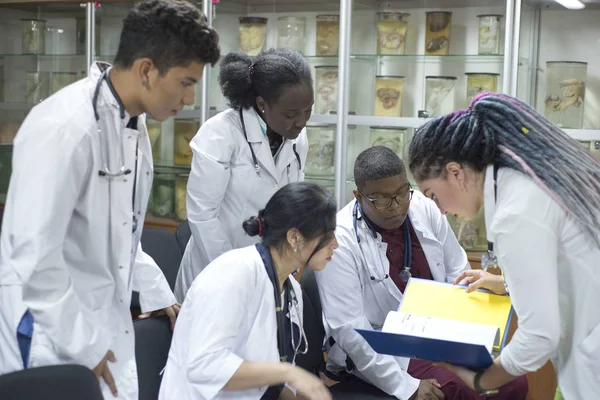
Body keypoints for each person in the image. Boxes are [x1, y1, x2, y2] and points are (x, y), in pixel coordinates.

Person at [0, 1, 220, 399]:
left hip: (102, 324)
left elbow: (121, 230)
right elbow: (33, 256)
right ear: (147, 70)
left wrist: (157, 291)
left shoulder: (133, 126)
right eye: (186, 82)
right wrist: (84, 346)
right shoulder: (65, 128)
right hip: (49, 333)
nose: (189, 98)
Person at [408, 92, 600, 399]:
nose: (439, 210)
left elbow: (539, 337)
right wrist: (507, 283)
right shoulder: (528, 181)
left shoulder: (515, 213)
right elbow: (567, 263)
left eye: (432, 195)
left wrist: (482, 380)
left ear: (455, 173)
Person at [315, 146, 528, 400]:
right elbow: (350, 330)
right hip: (389, 348)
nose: (395, 206)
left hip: (442, 335)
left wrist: (469, 340)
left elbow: (458, 273)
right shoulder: (340, 241)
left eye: (402, 193)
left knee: (514, 381)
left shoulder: (423, 208)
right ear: (359, 196)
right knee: (458, 390)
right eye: (381, 199)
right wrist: (407, 386)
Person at [159, 182, 337, 400]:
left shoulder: (290, 289)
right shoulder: (234, 273)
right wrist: (289, 372)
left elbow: (269, 382)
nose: (335, 244)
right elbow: (203, 365)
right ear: (294, 238)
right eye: (327, 236)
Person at [174, 48, 313, 302]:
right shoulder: (221, 133)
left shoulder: (297, 136)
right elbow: (202, 216)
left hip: (270, 270)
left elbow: (293, 206)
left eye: (308, 110)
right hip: (216, 271)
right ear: (262, 104)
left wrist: (287, 263)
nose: (302, 122)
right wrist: (234, 274)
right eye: (291, 114)